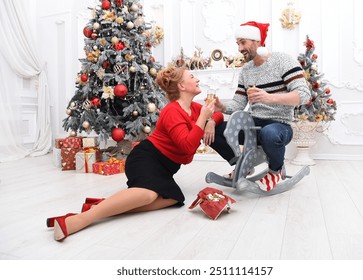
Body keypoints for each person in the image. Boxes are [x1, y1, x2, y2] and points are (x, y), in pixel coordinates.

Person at [46, 66, 224, 241]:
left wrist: (210, 122)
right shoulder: (172, 111)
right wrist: (203, 119)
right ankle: (78, 220)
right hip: (146, 158)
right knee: (148, 195)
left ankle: (101, 206)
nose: (197, 79)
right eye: (192, 76)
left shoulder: (194, 108)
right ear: (182, 86)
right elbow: (186, 146)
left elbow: (219, 115)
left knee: (173, 199)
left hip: (164, 168)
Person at [211, 21, 310, 191]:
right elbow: (238, 105)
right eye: (238, 44)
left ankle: (275, 170)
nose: (239, 49)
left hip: (279, 125)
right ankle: (242, 166)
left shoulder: (282, 61)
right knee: (214, 131)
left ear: (257, 41)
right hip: (253, 124)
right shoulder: (246, 70)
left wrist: (269, 98)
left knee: (269, 133)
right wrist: (221, 106)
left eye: (243, 43)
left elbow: (303, 95)